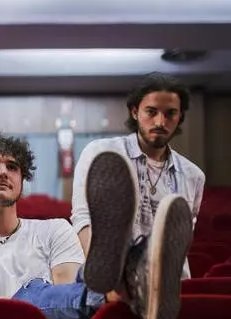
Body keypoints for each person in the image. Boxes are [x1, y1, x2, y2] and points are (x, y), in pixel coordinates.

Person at [0, 131, 193, 319]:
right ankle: (126, 283)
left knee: (78, 293)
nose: (3, 172)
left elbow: (68, 291)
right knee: (35, 290)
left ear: (22, 183)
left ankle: (121, 285)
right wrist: (28, 297)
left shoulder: (55, 229)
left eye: (12, 167)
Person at [72, 72, 205, 286]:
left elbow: (182, 239)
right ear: (135, 112)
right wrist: (106, 276)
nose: (160, 122)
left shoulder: (193, 175)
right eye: (151, 112)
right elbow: (82, 218)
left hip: (168, 284)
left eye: (170, 113)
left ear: (180, 117)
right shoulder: (101, 153)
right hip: (110, 279)